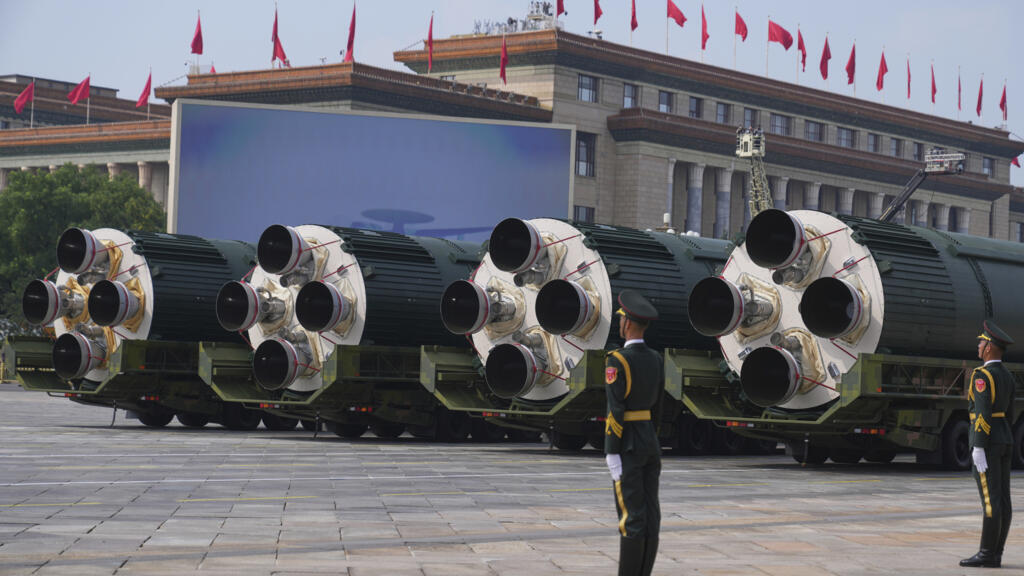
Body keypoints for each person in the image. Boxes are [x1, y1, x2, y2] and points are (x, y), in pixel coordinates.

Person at [604, 289, 663, 576]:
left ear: (627, 323)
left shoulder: (618, 360)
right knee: (650, 514)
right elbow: (660, 405)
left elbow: (615, 409)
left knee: (631, 516)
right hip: (649, 441)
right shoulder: (656, 359)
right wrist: (654, 436)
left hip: (627, 444)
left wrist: (611, 450)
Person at [961, 319, 1016, 568]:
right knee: (1003, 499)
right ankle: (996, 553)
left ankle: (986, 554)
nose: (979, 346)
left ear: (990, 348)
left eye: (982, 342)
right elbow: (1010, 413)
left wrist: (979, 445)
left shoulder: (982, 375)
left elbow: (982, 412)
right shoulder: (1007, 375)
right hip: (1004, 438)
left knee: (990, 499)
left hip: (988, 442)